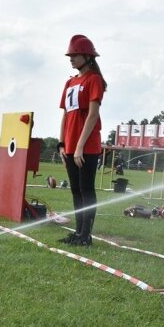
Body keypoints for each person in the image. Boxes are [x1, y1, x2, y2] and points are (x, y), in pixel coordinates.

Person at [57, 34, 106, 246]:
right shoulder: (70, 82)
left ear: (87, 56)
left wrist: (79, 147)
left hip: (87, 146)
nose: (71, 58)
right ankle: (78, 234)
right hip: (70, 146)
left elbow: (93, 114)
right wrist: (62, 143)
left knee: (86, 189)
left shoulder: (94, 79)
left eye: (75, 54)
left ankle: (86, 236)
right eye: (70, 55)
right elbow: (66, 114)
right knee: (76, 190)